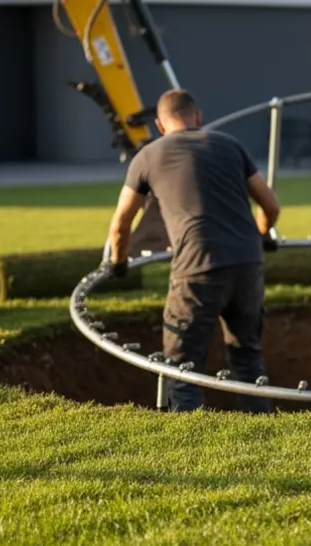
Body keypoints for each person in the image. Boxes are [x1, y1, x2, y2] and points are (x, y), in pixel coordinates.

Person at [106, 88, 281, 413]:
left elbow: (121, 225)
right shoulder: (230, 145)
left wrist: (117, 263)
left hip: (196, 268)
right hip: (247, 265)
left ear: (160, 125)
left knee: (182, 365)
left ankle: (188, 432)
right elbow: (271, 205)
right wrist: (262, 235)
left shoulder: (148, 156)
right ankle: (261, 428)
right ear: (198, 117)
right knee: (248, 358)